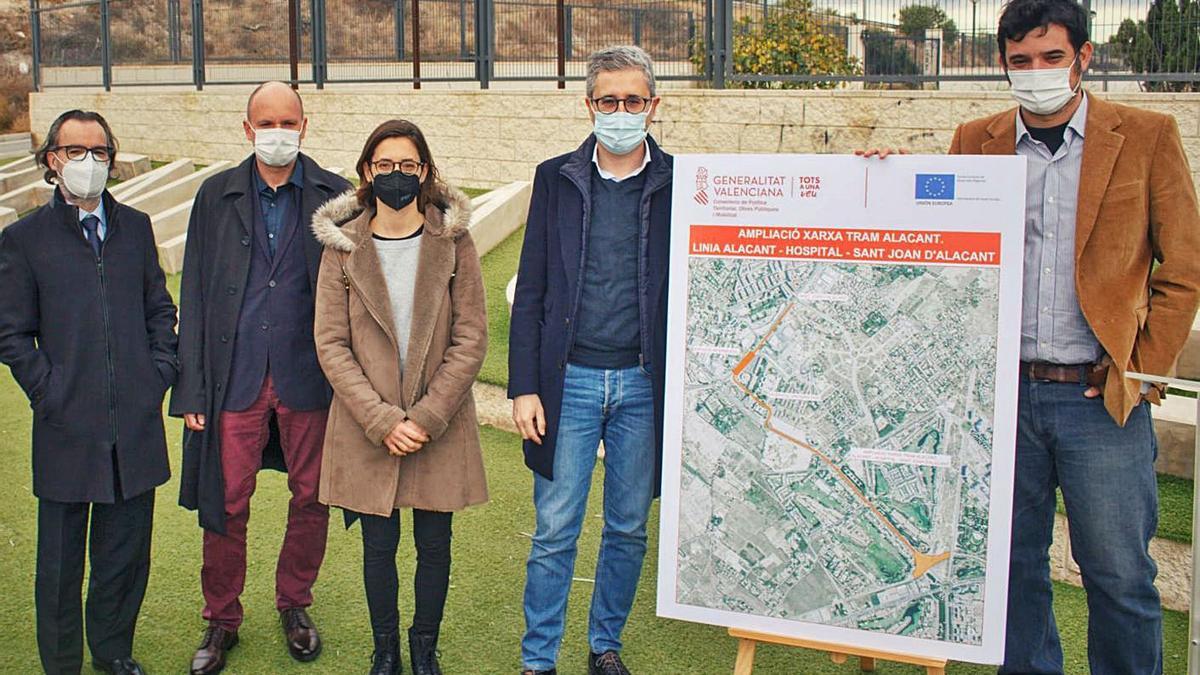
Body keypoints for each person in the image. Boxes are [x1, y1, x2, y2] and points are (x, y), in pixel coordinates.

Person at [936, 0, 1199, 671]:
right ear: (1002, 65)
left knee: (1118, 578)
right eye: (1020, 61)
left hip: (1098, 397)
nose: (1036, 73)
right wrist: (877, 177)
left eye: (1051, 57)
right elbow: (936, 236)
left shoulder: (1145, 135)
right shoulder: (975, 140)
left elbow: (1186, 266)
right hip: (1003, 400)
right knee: (1012, 573)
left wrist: (1143, 369)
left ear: (1083, 57)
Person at [171, 81, 351, 675]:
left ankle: (294, 603)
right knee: (225, 502)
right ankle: (222, 618)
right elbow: (193, 292)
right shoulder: (214, 194)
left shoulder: (337, 196)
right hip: (234, 377)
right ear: (247, 130)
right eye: (266, 122)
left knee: (312, 497)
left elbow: (355, 297)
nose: (278, 132)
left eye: (288, 121)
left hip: (311, 379)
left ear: (306, 125)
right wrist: (192, 388)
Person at [509, 45, 674, 675]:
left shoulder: (681, 182)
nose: (622, 111)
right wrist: (525, 386)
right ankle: (538, 660)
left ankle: (605, 646)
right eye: (609, 101)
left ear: (653, 107)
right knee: (555, 531)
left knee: (629, 528)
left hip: (643, 384)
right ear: (589, 106)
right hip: (568, 382)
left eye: (634, 101)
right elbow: (533, 288)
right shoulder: (556, 177)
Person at [0, 110, 178, 675]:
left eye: (99, 151)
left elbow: (159, 308)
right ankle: (63, 664)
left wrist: (159, 371)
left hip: (135, 424)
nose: (89, 163)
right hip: (65, 427)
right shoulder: (23, 240)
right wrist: (49, 393)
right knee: (58, 563)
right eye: (76, 152)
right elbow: (11, 333)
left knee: (124, 556)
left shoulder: (136, 227)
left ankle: (112, 651)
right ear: (52, 160)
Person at [311, 118, 488, 675]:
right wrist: (382, 419)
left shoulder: (454, 240)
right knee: (378, 546)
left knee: (435, 544)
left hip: (439, 420)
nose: (396, 175)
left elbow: (471, 336)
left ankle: (423, 646)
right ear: (366, 171)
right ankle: (384, 648)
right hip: (370, 425)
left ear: (426, 171)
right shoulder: (341, 247)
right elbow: (331, 343)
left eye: (408, 165)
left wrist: (429, 415)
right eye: (384, 165)